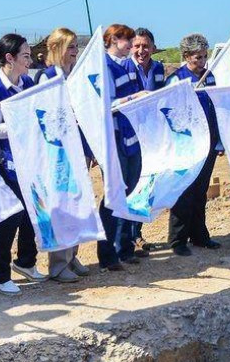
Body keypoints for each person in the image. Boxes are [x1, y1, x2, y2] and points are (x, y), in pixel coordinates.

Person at [0, 34, 46, 295]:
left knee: (32, 209)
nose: (30, 61)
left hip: (26, 158)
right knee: (11, 215)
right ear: (10, 58)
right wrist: (20, 126)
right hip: (3, 162)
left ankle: (26, 261)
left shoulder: (27, 82)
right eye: (26, 56)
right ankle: (0, 273)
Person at [37, 27, 91, 282]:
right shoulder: (48, 77)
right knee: (62, 205)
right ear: (56, 48)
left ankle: (71, 254)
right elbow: (45, 116)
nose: (75, 51)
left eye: (75, 46)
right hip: (59, 151)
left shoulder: (75, 75)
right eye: (70, 46)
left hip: (78, 146)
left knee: (77, 202)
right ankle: (58, 263)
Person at [165, 33, 221, 257]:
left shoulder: (209, 77)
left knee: (200, 190)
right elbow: (169, 112)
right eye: (198, 57)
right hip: (187, 144)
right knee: (185, 191)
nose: (202, 61)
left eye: (204, 56)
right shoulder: (177, 79)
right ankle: (177, 239)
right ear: (187, 56)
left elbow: (215, 107)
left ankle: (199, 235)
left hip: (209, 142)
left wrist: (218, 140)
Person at [97, 24, 140, 270]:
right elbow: (106, 104)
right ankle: (107, 253)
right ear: (113, 39)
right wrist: (134, 98)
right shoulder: (104, 67)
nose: (131, 46)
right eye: (128, 41)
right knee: (114, 194)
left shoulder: (126, 65)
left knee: (129, 190)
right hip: (114, 138)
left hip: (130, 137)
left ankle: (125, 246)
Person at [127, 27, 165, 256]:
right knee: (131, 186)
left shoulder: (158, 68)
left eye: (146, 46)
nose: (142, 50)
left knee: (146, 185)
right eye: (137, 46)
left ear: (153, 47)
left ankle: (137, 233)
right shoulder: (125, 68)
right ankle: (128, 238)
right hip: (130, 137)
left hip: (151, 136)